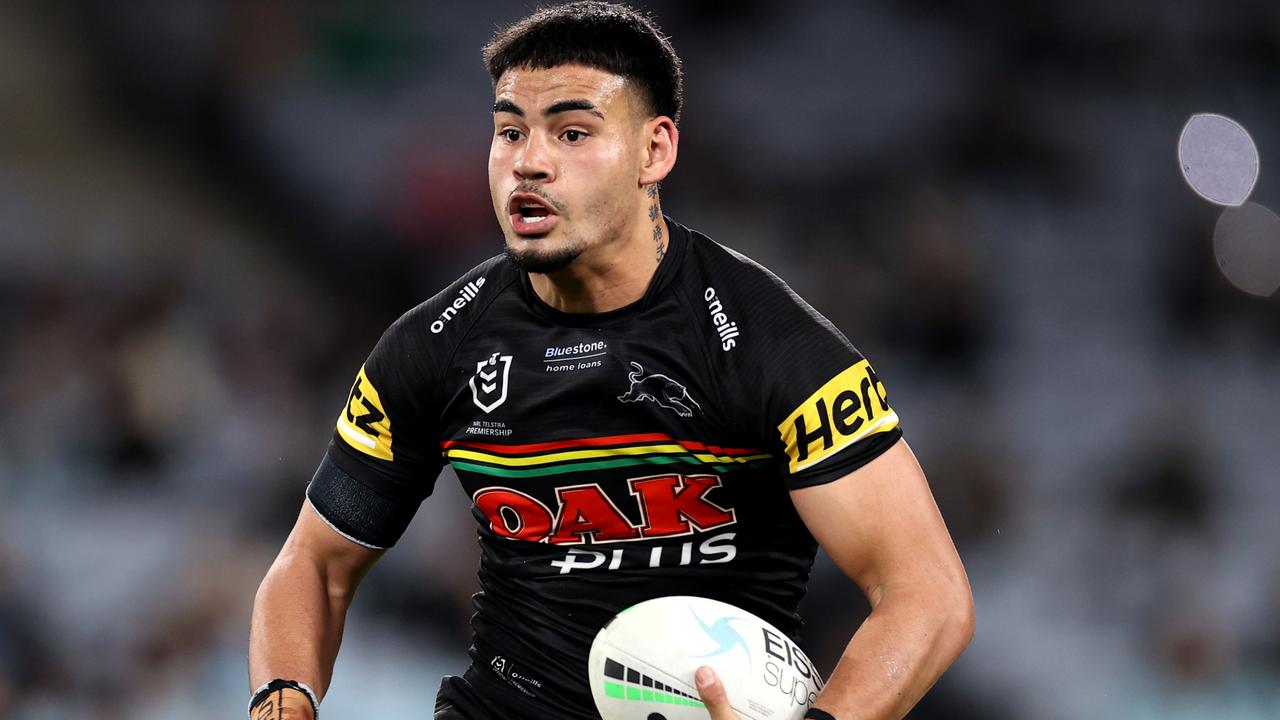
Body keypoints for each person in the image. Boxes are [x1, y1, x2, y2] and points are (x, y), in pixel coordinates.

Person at [247, 3, 974, 719]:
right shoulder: (434, 345)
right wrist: (282, 698)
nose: (528, 163)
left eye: (571, 132)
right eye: (508, 133)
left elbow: (927, 595)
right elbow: (315, 564)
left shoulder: (768, 344)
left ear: (654, 151)